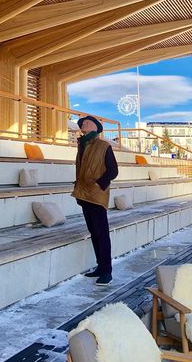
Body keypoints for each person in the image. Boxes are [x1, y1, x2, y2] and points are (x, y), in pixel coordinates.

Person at [72, 115, 118, 285]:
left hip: (96, 195)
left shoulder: (104, 145)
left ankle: (107, 270)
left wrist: (100, 184)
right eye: (82, 122)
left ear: (97, 128)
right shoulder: (82, 144)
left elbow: (113, 170)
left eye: (88, 122)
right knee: (94, 233)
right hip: (83, 193)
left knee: (102, 233)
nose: (84, 123)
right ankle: (100, 267)